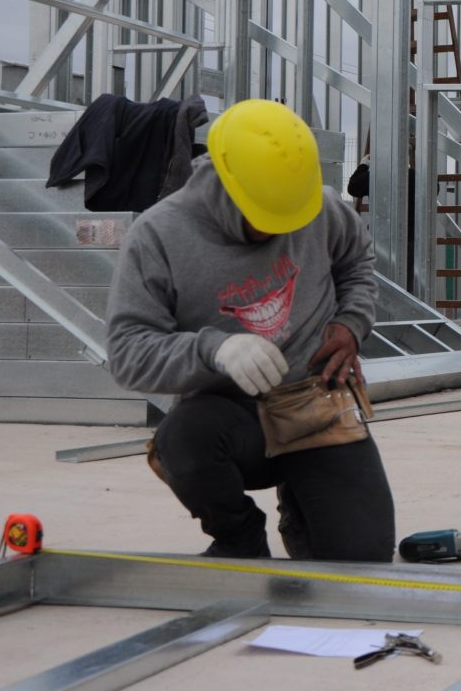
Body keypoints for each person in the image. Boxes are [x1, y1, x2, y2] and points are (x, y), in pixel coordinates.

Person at [106, 99, 394, 559]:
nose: (275, 232)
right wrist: (214, 350)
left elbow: (357, 263)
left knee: (363, 564)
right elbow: (127, 353)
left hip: (314, 406)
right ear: (225, 181)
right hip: (228, 417)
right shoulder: (159, 235)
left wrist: (351, 324)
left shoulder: (320, 208)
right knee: (185, 438)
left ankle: (302, 507)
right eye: (263, 219)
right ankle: (237, 536)